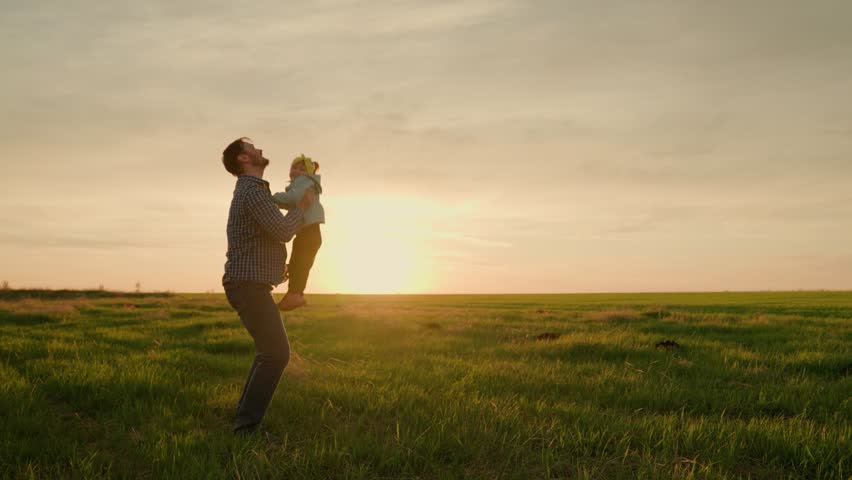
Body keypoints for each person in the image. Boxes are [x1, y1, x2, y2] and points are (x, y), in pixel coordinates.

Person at [220, 137, 314, 436]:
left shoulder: (254, 192)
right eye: (251, 148)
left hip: (250, 283)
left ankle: (244, 422)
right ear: (242, 160)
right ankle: (246, 429)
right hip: (247, 285)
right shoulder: (252, 192)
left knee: (268, 353)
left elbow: (266, 239)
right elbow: (284, 231)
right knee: (276, 354)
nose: (258, 149)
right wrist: (302, 207)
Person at [272, 154, 324, 311]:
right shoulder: (303, 183)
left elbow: (293, 199)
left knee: (300, 263)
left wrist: (270, 198)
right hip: (309, 233)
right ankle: (295, 294)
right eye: (294, 167)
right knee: (299, 263)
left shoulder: (304, 182)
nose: (297, 170)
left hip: (309, 231)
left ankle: (295, 295)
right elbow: (294, 203)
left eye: (302, 169)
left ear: (308, 173)